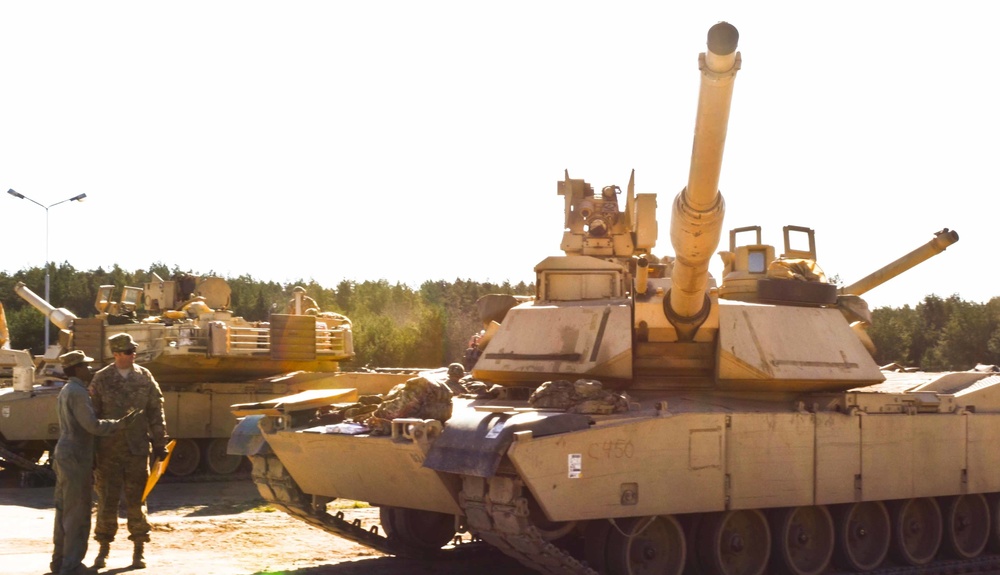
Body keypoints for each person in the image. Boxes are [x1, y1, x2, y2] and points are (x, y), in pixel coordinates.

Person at [50, 350, 136, 575]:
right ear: (77, 369)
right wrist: (119, 424)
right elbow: (92, 426)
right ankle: (72, 566)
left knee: (63, 512)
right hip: (76, 456)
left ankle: (59, 563)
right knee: (78, 514)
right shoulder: (78, 392)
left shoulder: (67, 390)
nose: (90, 369)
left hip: (65, 453)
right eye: (86, 366)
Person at [89, 333, 170, 570]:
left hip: (136, 450)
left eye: (133, 351)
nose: (132, 355)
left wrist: (160, 443)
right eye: (126, 351)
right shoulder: (101, 379)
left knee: (137, 501)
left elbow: (156, 411)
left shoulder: (144, 377)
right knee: (107, 501)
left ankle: (139, 550)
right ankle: (103, 549)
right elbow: (91, 417)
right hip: (108, 452)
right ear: (115, 354)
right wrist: (91, 452)